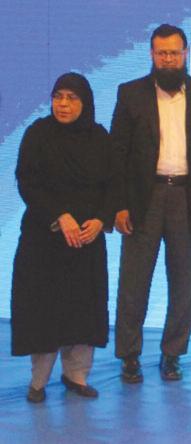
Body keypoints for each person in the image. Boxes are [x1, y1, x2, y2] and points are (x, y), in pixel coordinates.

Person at [111, 23, 191, 383]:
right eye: (161, 53)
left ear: (186, 54)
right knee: (133, 282)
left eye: (174, 53)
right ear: (152, 55)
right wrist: (119, 206)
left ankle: (172, 355)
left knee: (183, 281)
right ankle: (129, 355)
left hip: (187, 199)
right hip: (144, 199)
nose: (168, 59)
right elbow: (117, 155)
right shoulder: (130, 93)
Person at [11, 72, 119, 402]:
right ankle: (38, 382)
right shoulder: (38, 133)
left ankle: (76, 376)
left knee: (83, 308)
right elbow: (27, 182)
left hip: (87, 240)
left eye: (71, 98)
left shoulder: (99, 137)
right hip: (43, 239)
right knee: (43, 307)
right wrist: (60, 215)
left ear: (85, 103)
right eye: (58, 97)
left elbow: (113, 185)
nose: (63, 104)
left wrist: (101, 220)